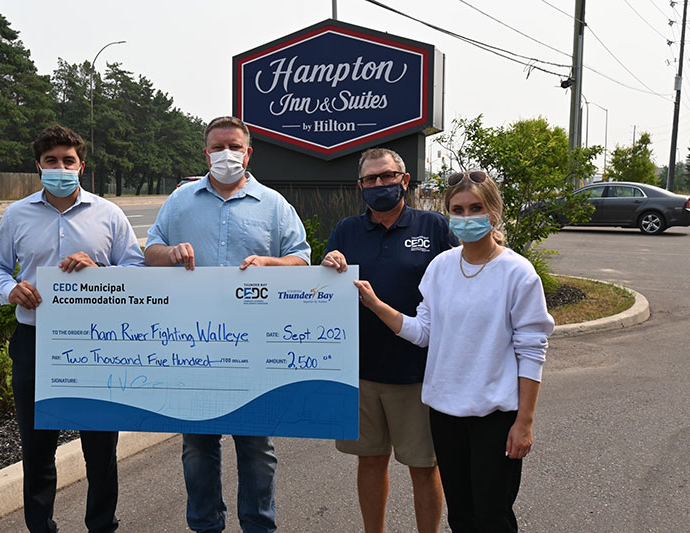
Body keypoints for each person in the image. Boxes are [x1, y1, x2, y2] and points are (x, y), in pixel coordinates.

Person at [354, 170, 555, 532]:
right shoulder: (441, 267)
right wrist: (376, 305)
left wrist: (524, 422)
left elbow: (532, 350)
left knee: (492, 517)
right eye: (458, 210)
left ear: (493, 212)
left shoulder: (518, 273)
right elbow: (423, 332)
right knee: (461, 516)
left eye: (476, 208)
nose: (466, 217)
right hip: (445, 413)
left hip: (495, 416)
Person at [144, 116, 310, 533]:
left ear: (248, 153)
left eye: (234, 147)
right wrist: (169, 254)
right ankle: (205, 525)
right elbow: (150, 251)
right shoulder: (179, 201)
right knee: (197, 447)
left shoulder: (274, 205)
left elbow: (301, 259)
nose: (226, 155)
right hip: (193, 344)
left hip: (254, 345)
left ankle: (258, 525)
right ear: (206, 154)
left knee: (257, 447)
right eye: (218, 147)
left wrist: (270, 263)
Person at [0, 125, 144, 533]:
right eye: (51, 161)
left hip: (97, 343)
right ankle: (40, 526)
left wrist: (98, 269)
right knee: (37, 447)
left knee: (100, 446)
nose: (60, 168)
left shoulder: (108, 214)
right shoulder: (17, 214)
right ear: (38, 166)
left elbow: (136, 269)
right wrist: (10, 289)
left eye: (68, 161)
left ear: (81, 166)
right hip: (35, 342)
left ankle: (102, 524)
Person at [321, 148, 455, 533]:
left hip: (417, 372)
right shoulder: (346, 230)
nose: (379, 184)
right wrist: (328, 265)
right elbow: (325, 290)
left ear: (405, 180)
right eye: (371, 179)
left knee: (424, 466)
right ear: (360, 186)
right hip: (361, 371)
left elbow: (458, 282)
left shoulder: (433, 226)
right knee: (370, 461)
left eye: (387, 176)